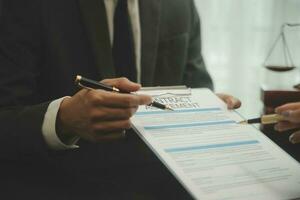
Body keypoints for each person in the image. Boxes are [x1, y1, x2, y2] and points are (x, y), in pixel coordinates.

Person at [0, 0, 241, 199]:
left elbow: (197, 84)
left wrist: (206, 106)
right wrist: (62, 119)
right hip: (58, 185)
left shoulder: (180, 5)